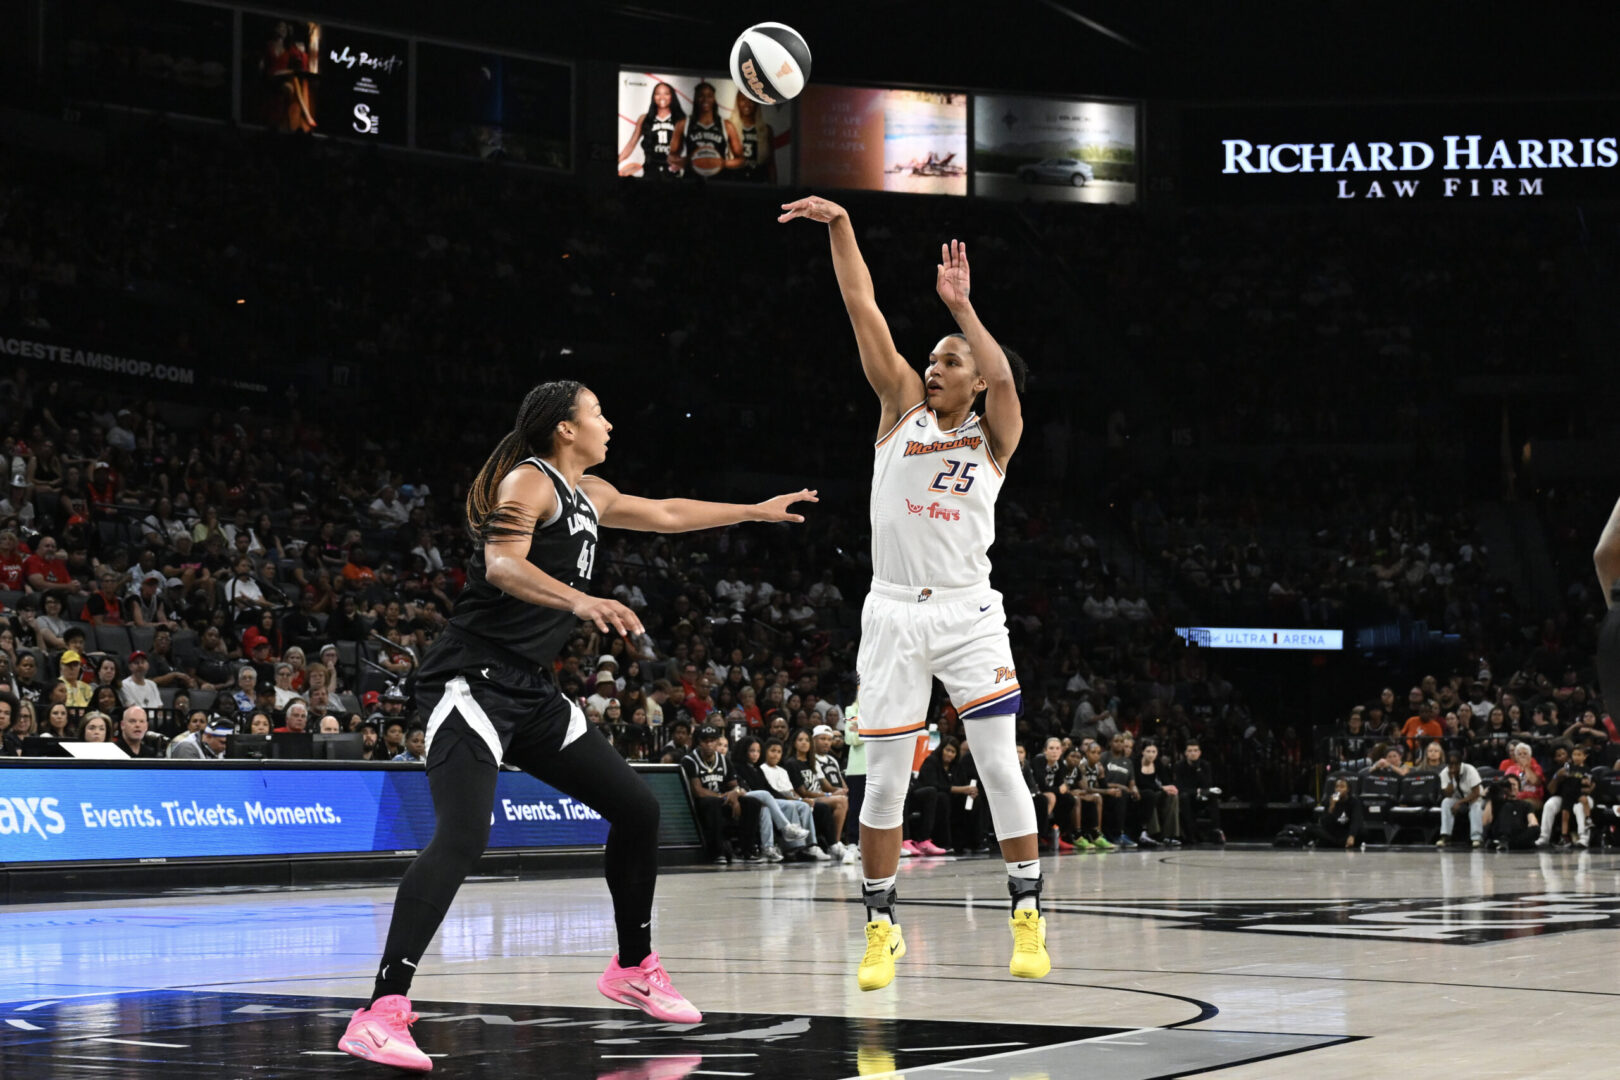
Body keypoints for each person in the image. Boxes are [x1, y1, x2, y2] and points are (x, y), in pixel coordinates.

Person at [339, 380, 814, 1070]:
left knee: (639, 810)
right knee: (464, 836)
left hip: (530, 692)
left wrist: (754, 511)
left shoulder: (591, 494)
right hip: (471, 680)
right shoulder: (527, 482)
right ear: (565, 428)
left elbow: (670, 512)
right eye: (598, 413)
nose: (609, 423)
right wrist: (580, 600)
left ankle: (632, 966)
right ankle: (379, 1012)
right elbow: (502, 564)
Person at [782, 196, 1042, 990]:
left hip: (969, 610)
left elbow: (1001, 374)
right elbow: (861, 306)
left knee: (999, 764)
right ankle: (880, 926)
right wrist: (841, 229)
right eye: (932, 357)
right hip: (894, 609)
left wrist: (963, 306)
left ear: (977, 381)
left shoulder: (995, 434)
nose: (935, 367)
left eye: (949, 361)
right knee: (887, 778)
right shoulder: (899, 408)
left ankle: (1026, 914)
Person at [681, 725, 759, 862]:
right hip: (702, 803)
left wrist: (734, 797)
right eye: (706, 741)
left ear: (717, 742)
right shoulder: (690, 760)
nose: (709, 744)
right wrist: (723, 796)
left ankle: (746, 849)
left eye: (712, 740)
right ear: (699, 742)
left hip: (722, 799)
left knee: (752, 802)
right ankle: (717, 852)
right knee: (713, 803)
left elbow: (734, 786)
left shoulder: (724, 760)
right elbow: (697, 791)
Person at [618, 81, 685, 179]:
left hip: (672, 170)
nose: (662, 97)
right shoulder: (644, 119)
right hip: (651, 169)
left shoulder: (680, 119)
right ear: (653, 97)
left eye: (666, 93)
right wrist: (616, 161)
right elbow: (631, 144)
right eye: (658, 94)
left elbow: (691, 145)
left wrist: (683, 163)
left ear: (672, 96)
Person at [1435, 750, 1484, 848]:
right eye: (1450, 764)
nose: (1452, 767)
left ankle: (1476, 838)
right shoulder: (1445, 773)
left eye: (1455, 764)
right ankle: (1445, 836)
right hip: (1458, 799)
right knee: (1446, 802)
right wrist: (1451, 779)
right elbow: (1447, 794)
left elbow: (1476, 793)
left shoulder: (1470, 770)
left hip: (1475, 798)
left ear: (1460, 763)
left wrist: (1460, 803)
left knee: (1476, 806)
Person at [1311, 777, 1363, 849]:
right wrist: (1332, 807)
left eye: (1342, 787)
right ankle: (1338, 843)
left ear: (1348, 789)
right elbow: (1325, 824)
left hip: (1346, 832)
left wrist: (1352, 836)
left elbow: (1356, 820)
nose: (1338, 789)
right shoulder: (1330, 801)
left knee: (1362, 832)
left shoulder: (1354, 802)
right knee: (1311, 828)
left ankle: (1334, 843)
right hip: (1333, 833)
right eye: (1337, 787)